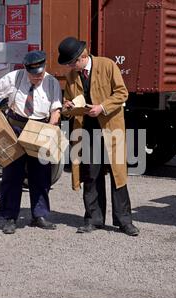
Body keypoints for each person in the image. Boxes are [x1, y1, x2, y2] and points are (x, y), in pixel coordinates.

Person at [0, 51, 62, 234]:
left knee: (41, 174)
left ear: (45, 67)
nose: (37, 78)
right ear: (26, 69)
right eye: (34, 75)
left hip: (39, 128)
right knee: (11, 174)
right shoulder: (15, 78)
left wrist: (51, 127)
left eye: (40, 73)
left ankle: (40, 215)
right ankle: (9, 217)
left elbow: (56, 109)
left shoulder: (52, 82)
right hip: (14, 128)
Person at [58, 37, 139, 236]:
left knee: (117, 175)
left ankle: (124, 221)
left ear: (82, 58)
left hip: (112, 129)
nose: (69, 67)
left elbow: (122, 93)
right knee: (90, 175)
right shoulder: (71, 76)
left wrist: (101, 107)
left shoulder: (108, 65)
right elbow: (68, 101)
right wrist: (67, 106)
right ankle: (93, 218)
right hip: (86, 130)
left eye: (71, 62)